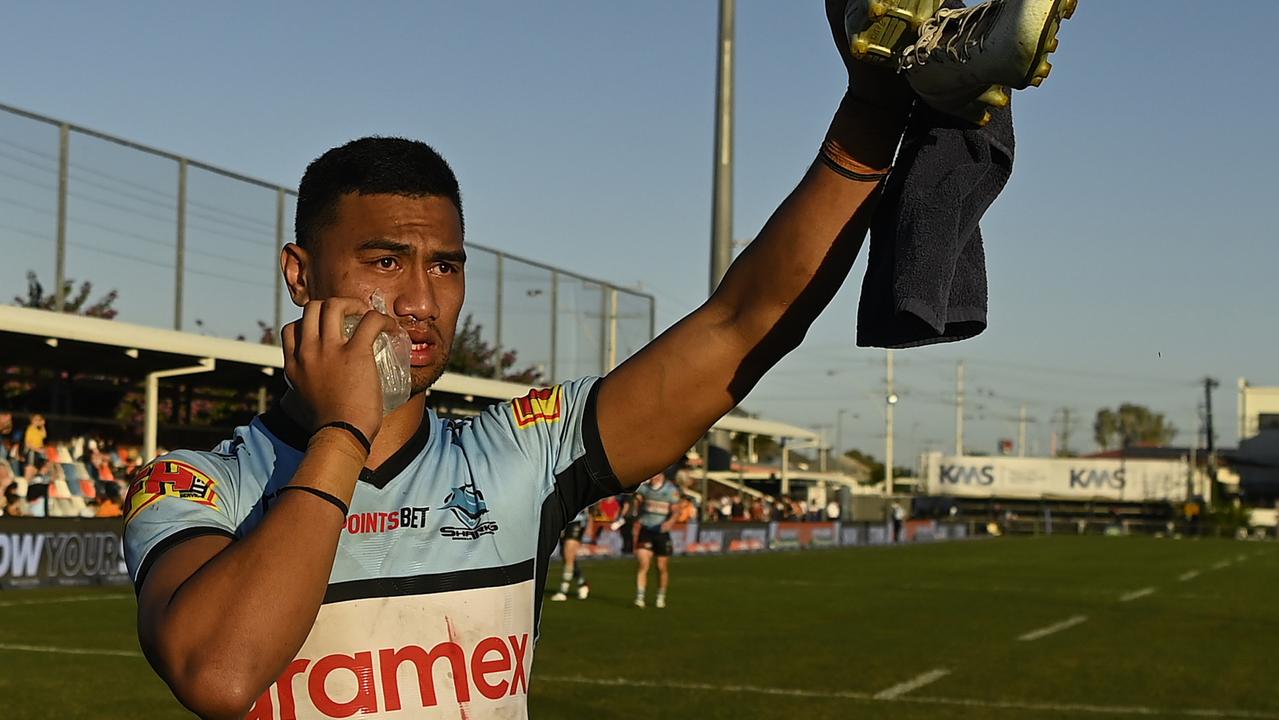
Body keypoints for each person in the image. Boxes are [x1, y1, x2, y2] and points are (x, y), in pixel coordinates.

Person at [121, 1, 1069, 715]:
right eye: (382, 261)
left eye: (444, 265)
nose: (419, 301)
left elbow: (743, 324)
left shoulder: (515, 454)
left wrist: (870, 107)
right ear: (299, 272)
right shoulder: (195, 486)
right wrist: (341, 429)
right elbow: (221, 670)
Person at [633, 473, 681, 609]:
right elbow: (637, 500)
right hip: (646, 530)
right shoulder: (644, 488)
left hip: (661, 533)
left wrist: (670, 522)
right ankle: (639, 597)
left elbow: (676, 510)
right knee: (643, 563)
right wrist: (636, 513)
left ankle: (660, 596)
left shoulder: (670, 490)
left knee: (661, 567)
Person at [550, 508, 590, 602]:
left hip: (577, 519)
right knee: (567, 556)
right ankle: (582, 582)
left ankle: (563, 590)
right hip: (564, 518)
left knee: (568, 552)